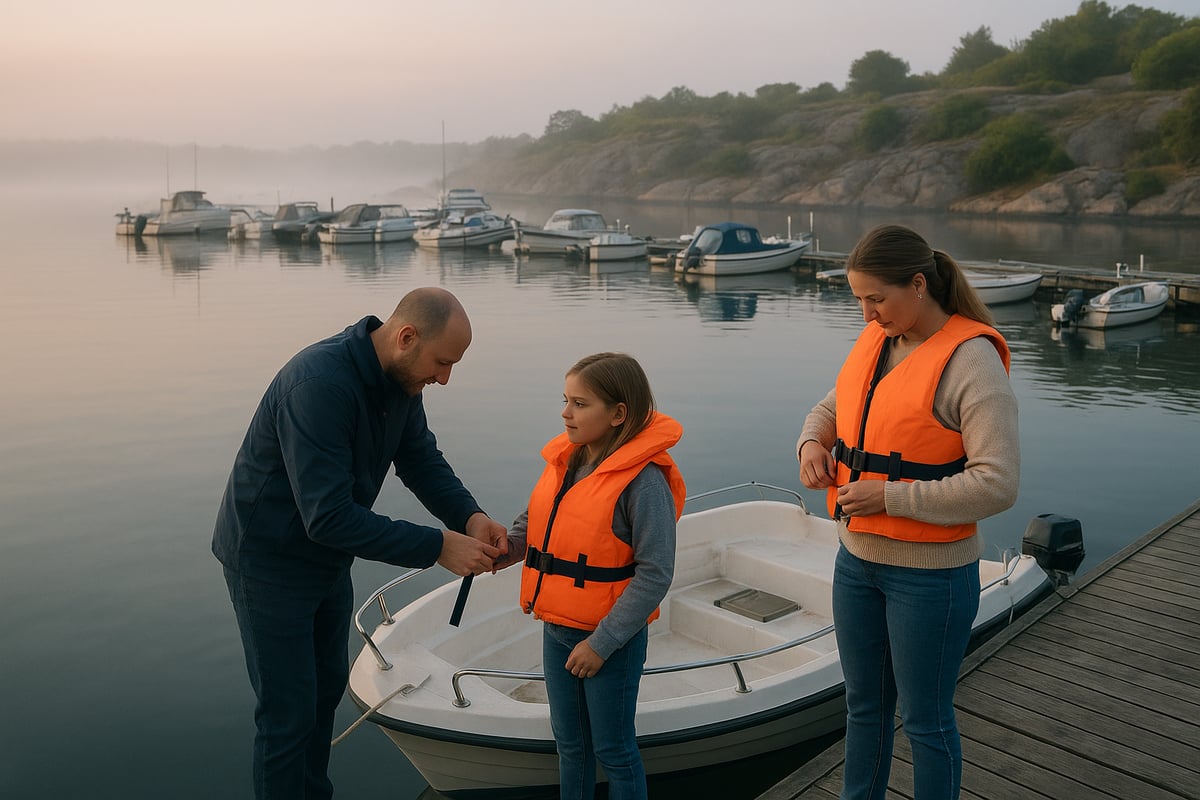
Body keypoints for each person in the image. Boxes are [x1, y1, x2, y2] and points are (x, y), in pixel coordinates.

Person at [213, 286, 506, 800]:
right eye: (441, 363)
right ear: (406, 337)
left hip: (326, 559)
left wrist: (470, 516)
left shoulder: (402, 383)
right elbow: (326, 517)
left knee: (323, 697)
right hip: (269, 562)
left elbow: (420, 460)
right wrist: (439, 546)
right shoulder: (319, 385)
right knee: (287, 716)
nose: (444, 378)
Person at [796, 225, 1019, 800]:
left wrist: (890, 496)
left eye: (877, 299)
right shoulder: (879, 340)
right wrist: (812, 443)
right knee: (864, 709)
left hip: (932, 576)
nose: (868, 314)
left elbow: (998, 484)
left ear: (918, 284)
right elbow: (833, 404)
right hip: (857, 561)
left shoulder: (972, 361)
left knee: (925, 721)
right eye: (859, 301)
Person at [495, 352, 686, 800]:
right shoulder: (569, 460)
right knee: (571, 748)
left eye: (580, 404)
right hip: (556, 630)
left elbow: (656, 574)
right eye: (565, 400)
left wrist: (600, 645)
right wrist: (509, 548)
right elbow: (537, 520)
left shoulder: (645, 482)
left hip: (610, 643)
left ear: (619, 414)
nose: (566, 413)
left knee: (614, 751)